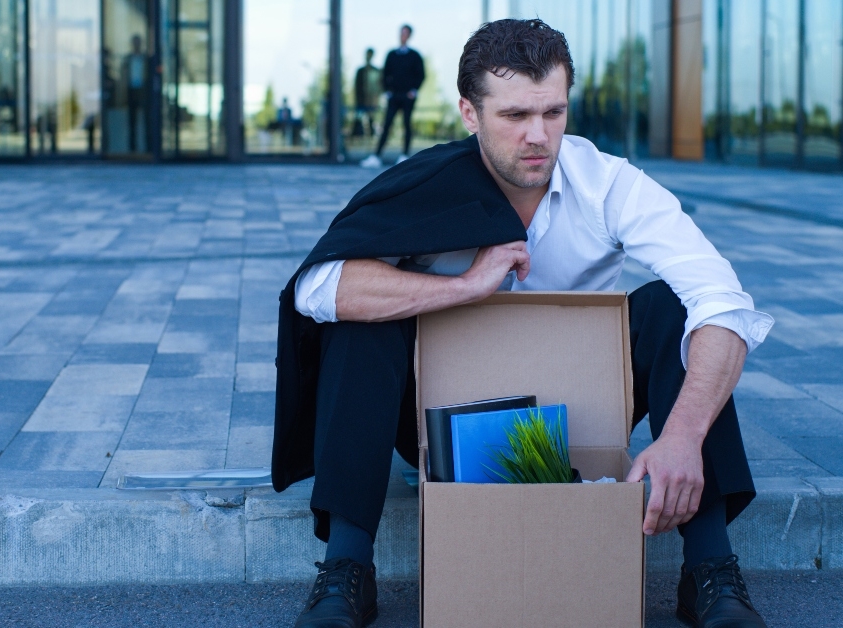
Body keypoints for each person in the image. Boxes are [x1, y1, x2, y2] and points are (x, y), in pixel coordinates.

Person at [280, 19, 772, 628]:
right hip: (441, 420)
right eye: (514, 116)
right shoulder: (428, 181)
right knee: (362, 316)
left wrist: (683, 436)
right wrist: (461, 286)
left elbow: (723, 299)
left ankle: (710, 570)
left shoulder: (608, 184)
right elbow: (317, 287)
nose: (538, 136)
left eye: (553, 112)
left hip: (578, 415)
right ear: (469, 113)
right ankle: (346, 569)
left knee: (677, 308)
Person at [360, 25, 424, 169]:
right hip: (394, 97)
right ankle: (376, 156)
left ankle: (404, 155)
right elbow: (385, 74)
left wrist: (413, 91)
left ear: (409, 36)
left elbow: (420, 75)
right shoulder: (392, 55)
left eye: (406, 33)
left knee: (406, 125)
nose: (403, 36)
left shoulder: (415, 56)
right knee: (387, 124)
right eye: (401, 33)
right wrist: (387, 91)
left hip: (407, 97)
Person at [351, 48, 380, 139]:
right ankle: (357, 136)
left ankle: (370, 136)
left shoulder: (375, 71)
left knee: (371, 119)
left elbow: (377, 87)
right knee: (358, 120)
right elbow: (357, 87)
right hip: (361, 101)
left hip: (371, 101)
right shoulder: (361, 71)